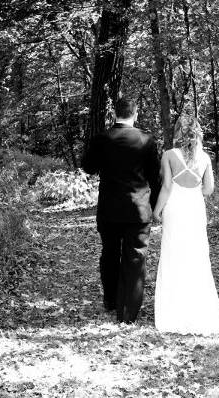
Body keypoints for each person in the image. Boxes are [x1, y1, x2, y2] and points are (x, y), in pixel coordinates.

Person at [82, 98, 161, 324]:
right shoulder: (146, 140)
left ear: (114, 113)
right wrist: (155, 207)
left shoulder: (102, 139)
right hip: (138, 209)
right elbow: (156, 178)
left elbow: (88, 166)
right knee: (136, 257)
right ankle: (128, 311)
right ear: (135, 113)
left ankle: (111, 300)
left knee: (109, 253)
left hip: (109, 209)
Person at [153, 114, 219, 334]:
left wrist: (156, 210)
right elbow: (209, 189)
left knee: (173, 253)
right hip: (194, 207)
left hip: (175, 206)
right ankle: (198, 309)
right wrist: (194, 191)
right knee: (196, 256)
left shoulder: (168, 155)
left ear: (178, 132)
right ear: (198, 132)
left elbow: (166, 187)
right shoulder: (204, 158)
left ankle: (173, 311)